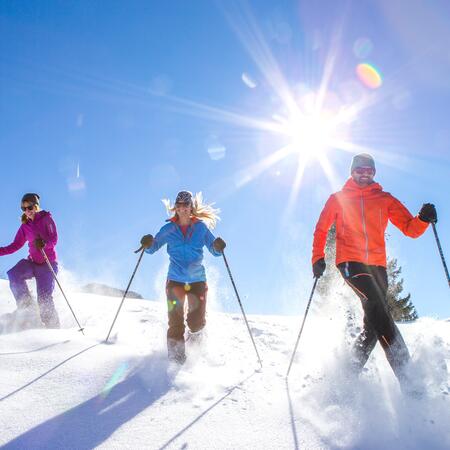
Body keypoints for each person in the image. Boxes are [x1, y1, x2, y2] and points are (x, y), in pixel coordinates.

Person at [312, 153, 436, 389]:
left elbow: (410, 229)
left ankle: (345, 378)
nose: (365, 173)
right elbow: (320, 229)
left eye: (369, 170)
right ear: (352, 172)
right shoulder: (337, 199)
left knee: (373, 326)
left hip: (378, 266)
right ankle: (409, 380)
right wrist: (317, 258)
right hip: (350, 262)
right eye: (360, 169)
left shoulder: (384, 199)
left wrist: (422, 219)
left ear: (374, 173)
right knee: (379, 309)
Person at [139, 191, 226, 364]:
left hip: (197, 281)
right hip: (175, 280)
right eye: (179, 206)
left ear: (191, 207)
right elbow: (153, 247)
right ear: (175, 208)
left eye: (185, 206)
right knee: (175, 322)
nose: (182, 209)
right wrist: (147, 243)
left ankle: (197, 337)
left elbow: (214, 250)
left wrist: (217, 247)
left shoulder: (201, 228)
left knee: (196, 322)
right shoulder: (169, 229)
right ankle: (176, 362)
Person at [0, 193, 60, 329]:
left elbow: (54, 239)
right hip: (32, 263)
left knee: (44, 299)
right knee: (13, 274)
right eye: (24, 208)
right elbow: (15, 245)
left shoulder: (46, 219)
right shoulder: (25, 226)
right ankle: (27, 307)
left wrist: (44, 243)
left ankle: (54, 328)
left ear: (36, 206)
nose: (27, 211)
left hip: (47, 263)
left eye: (30, 207)